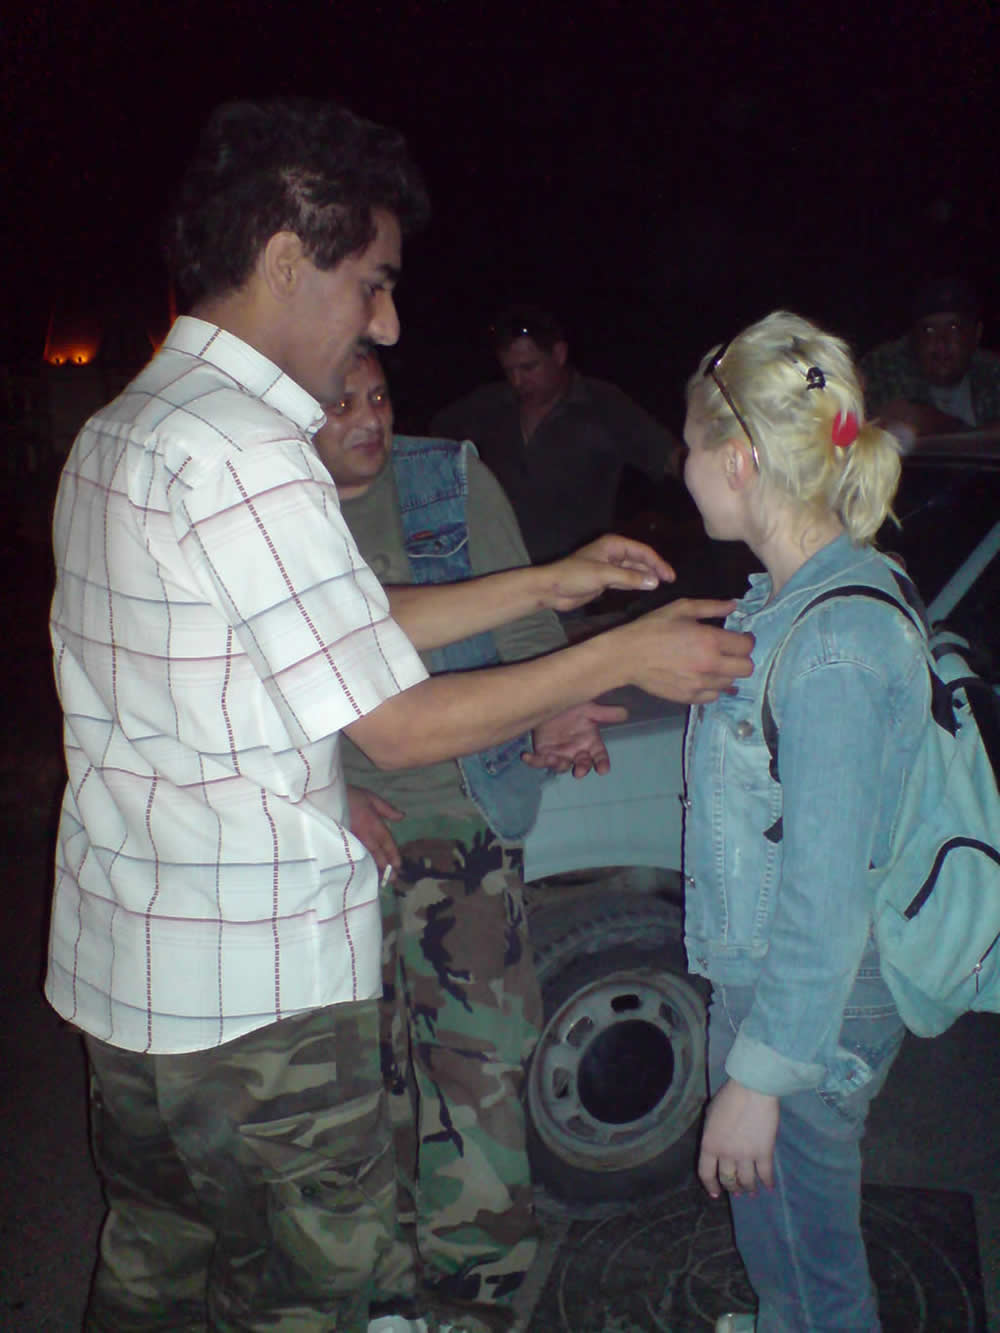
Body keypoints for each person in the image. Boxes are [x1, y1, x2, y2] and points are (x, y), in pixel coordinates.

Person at [46, 98, 756, 1333]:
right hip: (257, 997)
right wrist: (622, 652)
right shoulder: (249, 453)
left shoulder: (132, 427)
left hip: (135, 973)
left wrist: (545, 583)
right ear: (286, 260)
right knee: (311, 1293)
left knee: (156, 1269)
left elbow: (332, 623)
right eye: (371, 283)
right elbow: (399, 725)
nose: (385, 322)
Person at [313, 349, 622, 1331]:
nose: (367, 418)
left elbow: (524, 627)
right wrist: (325, 798)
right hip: (331, 834)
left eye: (378, 396)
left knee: (475, 1066)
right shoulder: (269, 506)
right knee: (361, 1072)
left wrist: (556, 712)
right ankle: (384, 1286)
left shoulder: (444, 480)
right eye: (340, 403)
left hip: (458, 813)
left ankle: (474, 1295)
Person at [681, 312, 928, 1332]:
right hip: (789, 990)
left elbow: (825, 901)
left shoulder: (829, 644)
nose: (680, 468)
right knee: (785, 1241)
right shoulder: (801, 602)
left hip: (800, 1007)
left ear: (738, 461)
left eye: (689, 446)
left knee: (809, 1263)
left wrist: (757, 1077)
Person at [430, 305, 682, 562]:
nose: (517, 381)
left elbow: (670, 457)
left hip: (575, 573)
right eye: (509, 371)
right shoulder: (488, 404)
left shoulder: (604, 405)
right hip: (498, 570)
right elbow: (427, 446)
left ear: (559, 354)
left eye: (529, 368)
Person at [860, 275, 1000, 439]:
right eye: (928, 330)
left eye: (954, 328)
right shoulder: (882, 367)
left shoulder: (992, 371)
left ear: (976, 334)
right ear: (913, 337)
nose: (941, 342)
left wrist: (940, 425)